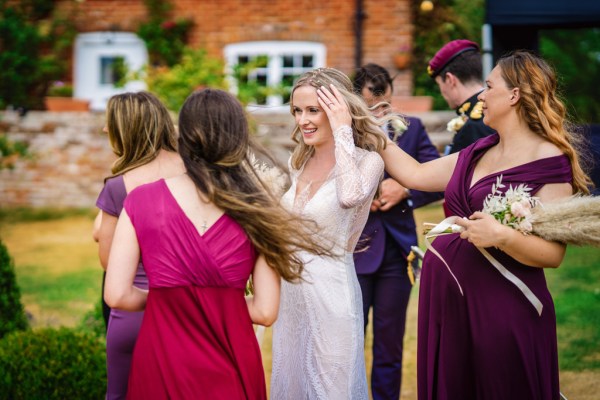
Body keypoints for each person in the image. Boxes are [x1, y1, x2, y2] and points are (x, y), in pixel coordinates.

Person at [379, 51, 592, 399]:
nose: (480, 94)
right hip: (451, 309)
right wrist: (365, 129)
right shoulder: (477, 151)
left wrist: (502, 235)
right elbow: (414, 174)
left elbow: (553, 255)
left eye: (489, 86)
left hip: (504, 311)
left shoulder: (550, 161)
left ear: (514, 95)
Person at [105, 88, 332, 399]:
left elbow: (116, 295)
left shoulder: (140, 200)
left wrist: (168, 297)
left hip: (161, 357)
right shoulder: (258, 207)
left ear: (183, 135)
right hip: (231, 357)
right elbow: (265, 311)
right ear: (238, 139)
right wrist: (218, 302)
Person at [270, 67, 398, 399]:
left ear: (337, 108)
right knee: (292, 385)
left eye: (314, 109)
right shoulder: (298, 163)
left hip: (333, 296)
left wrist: (343, 130)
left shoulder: (369, 161)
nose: (303, 120)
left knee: (332, 389)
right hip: (292, 298)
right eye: (298, 110)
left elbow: (350, 196)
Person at [352, 63, 444, 400]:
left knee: (390, 344)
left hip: (399, 253)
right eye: (371, 106)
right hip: (355, 250)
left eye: (385, 105)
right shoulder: (343, 134)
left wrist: (404, 190)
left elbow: (436, 182)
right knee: (349, 343)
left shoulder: (414, 129)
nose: (380, 113)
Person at [95, 91, 185, 399]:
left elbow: (108, 261)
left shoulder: (118, 186)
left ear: (125, 129)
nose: (104, 130)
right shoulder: (197, 172)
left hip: (134, 309)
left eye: (109, 124)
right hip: (187, 309)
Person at [428, 39, 495, 155]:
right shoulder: (492, 111)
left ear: (450, 80)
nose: (441, 90)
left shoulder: (474, 125)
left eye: (439, 84)